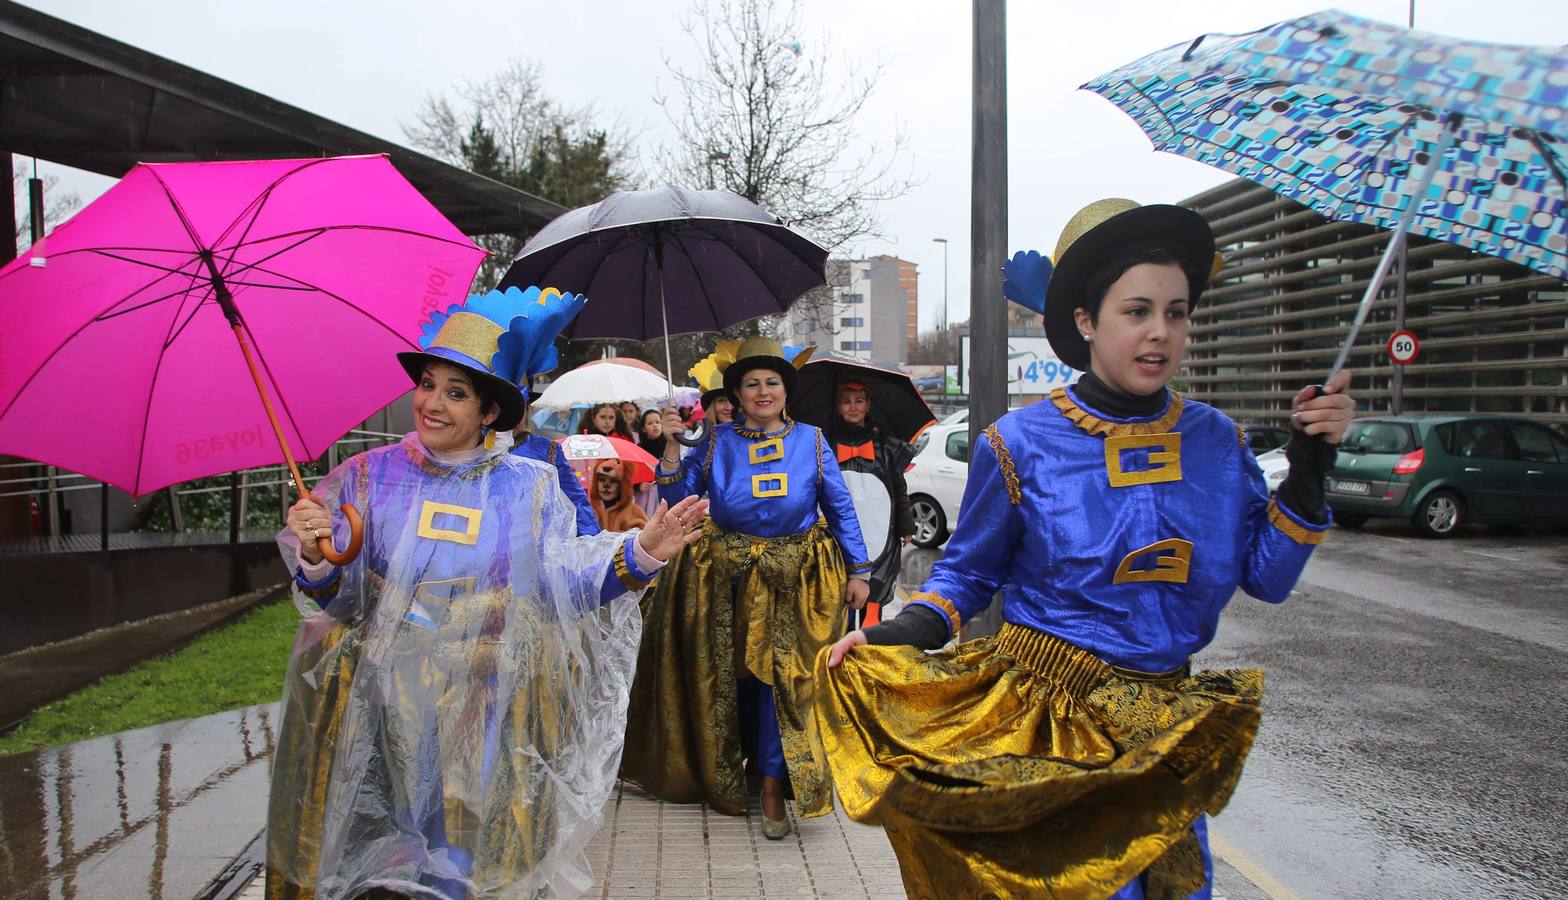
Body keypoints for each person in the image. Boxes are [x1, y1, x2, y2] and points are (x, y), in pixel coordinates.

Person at [816, 199, 1356, 899]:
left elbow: (1268, 577)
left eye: (1177, 311)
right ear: (1085, 321)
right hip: (1047, 732)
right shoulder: (1019, 445)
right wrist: (896, 634)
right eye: (1137, 310)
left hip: (1161, 729)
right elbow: (965, 576)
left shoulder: (1217, 441)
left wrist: (1312, 466)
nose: (1160, 332)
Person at [265, 288, 709, 899]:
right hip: (379, 712)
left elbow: (566, 581)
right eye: (427, 384)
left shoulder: (527, 486)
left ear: (489, 411)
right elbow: (343, 605)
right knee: (379, 866)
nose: (432, 403)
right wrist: (317, 560)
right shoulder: (369, 477)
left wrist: (643, 550)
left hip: (490, 709)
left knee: (468, 866)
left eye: (455, 392)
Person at [621, 336, 872, 840]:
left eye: (772, 383)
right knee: (734, 678)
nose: (763, 391)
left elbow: (840, 506)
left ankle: (777, 783)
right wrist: (671, 443)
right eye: (751, 383)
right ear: (735, 394)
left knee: (784, 677)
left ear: (786, 391)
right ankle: (737, 770)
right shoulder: (716, 440)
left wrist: (859, 570)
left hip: (797, 579)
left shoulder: (813, 440)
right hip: (724, 577)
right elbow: (677, 495)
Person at [506, 287, 600, 536]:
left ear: (527, 411)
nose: (509, 418)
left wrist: (591, 549)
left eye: (518, 408)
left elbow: (577, 504)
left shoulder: (546, 451)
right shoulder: (470, 449)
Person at [830, 381, 915, 627]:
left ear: (868, 405)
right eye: (846, 401)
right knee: (838, 592)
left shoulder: (886, 447)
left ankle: (868, 650)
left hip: (880, 531)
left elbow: (899, 488)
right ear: (838, 407)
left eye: (859, 401)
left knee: (876, 589)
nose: (853, 407)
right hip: (840, 531)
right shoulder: (824, 443)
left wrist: (906, 525)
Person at [590, 459, 649, 532]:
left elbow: (641, 538)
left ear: (622, 485)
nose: (606, 486)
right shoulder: (590, 510)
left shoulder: (633, 511)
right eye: (602, 480)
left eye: (613, 481)